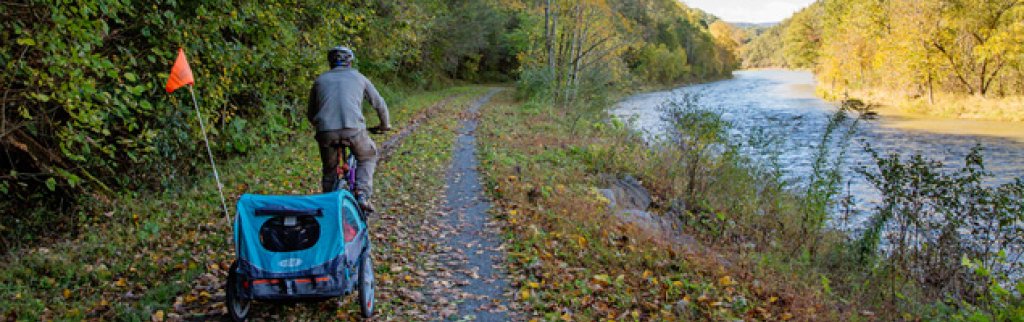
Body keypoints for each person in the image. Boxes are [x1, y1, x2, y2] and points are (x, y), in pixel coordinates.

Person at [307, 46, 390, 212]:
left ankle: (328, 205)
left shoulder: (320, 81)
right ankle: (363, 195)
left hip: (326, 132)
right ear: (350, 62)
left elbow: (311, 113)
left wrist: (322, 126)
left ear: (330, 62)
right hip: (353, 130)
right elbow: (379, 104)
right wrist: (384, 125)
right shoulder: (360, 78)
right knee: (367, 156)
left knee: (329, 170)